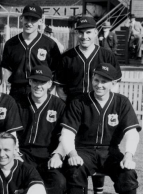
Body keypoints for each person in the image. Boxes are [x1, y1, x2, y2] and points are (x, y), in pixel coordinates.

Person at [59, 63, 140, 194]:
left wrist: (128, 156)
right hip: (84, 150)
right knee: (74, 170)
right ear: (92, 79)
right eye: (96, 80)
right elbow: (67, 133)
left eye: (104, 82)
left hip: (110, 151)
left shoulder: (122, 102)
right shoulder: (79, 102)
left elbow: (132, 133)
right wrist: (72, 154)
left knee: (127, 174)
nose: (99, 85)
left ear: (113, 84)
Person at [16, 65, 66, 193]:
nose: (38, 86)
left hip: (48, 156)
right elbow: (10, 132)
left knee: (59, 183)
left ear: (50, 84)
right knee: (13, 180)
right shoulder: (18, 103)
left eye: (43, 82)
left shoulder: (59, 105)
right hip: (23, 154)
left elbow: (66, 136)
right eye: (35, 81)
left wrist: (58, 155)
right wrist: (14, 152)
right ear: (30, 81)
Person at [55, 16, 122, 103]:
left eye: (88, 32)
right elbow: (60, 87)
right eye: (81, 32)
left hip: (99, 104)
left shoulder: (107, 55)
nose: (84, 36)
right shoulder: (66, 57)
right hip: (73, 107)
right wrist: (71, 104)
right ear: (77, 33)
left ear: (95, 33)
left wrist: (105, 102)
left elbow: (115, 82)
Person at [1, 4, 61, 100]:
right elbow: (7, 70)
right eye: (26, 18)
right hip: (17, 92)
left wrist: (48, 89)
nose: (29, 23)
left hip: (40, 91)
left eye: (33, 20)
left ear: (40, 21)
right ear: (21, 18)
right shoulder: (11, 44)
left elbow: (55, 70)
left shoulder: (49, 44)